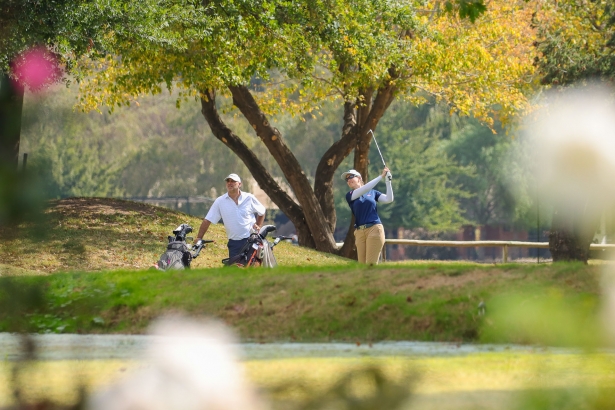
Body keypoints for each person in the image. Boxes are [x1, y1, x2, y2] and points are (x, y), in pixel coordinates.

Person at [195, 173, 266, 259]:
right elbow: (207, 220)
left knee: (252, 266)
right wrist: (199, 237)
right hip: (234, 243)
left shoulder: (249, 198)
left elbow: (262, 211)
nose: (229, 183)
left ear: (239, 184)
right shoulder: (220, 201)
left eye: (233, 181)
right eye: (228, 181)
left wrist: (258, 225)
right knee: (235, 266)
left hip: (252, 239)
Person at [341, 167, 394, 264]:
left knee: (370, 265)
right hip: (359, 232)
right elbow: (365, 188)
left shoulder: (372, 192)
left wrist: (388, 181)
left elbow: (389, 199)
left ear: (359, 178)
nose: (348, 180)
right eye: (346, 179)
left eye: (351, 177)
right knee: (362, 266)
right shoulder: (350, 195)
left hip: (374, 229)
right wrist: (381, 176)